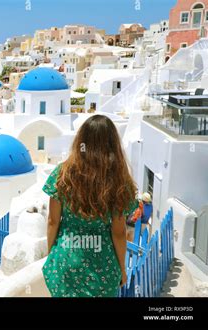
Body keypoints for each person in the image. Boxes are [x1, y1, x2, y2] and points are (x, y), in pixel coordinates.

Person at [42, 115, 138, 297]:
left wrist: (52, 255)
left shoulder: (63, 174)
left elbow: (53, 221)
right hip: (102, 268)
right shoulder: (119, 182)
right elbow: (118, 232)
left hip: (66, 262)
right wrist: (122, 269)